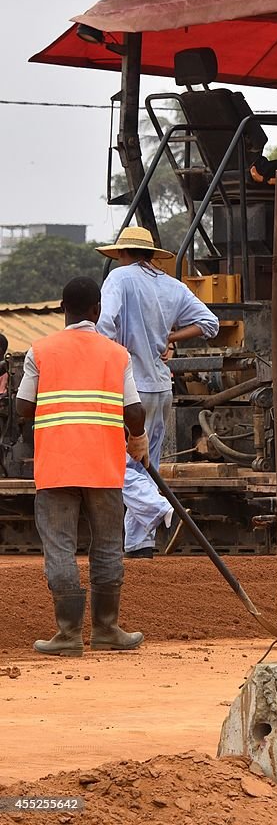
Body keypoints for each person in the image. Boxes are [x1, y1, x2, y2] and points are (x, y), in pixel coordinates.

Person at [16, 277, 147, 656]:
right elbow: (134, 411)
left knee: (60, 547)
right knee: (107, 546)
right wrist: (136, 439)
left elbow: (24, 407)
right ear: (97, 311)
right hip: (103, 466)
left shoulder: (39, 351)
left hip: (56, 466)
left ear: (62, 307)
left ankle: (68, 635)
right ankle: (106, 630)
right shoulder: (116, 354)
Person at [95, 227, 219, 558]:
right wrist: (171, 339)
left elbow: (104, 325)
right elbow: (210, 323)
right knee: (146, 464)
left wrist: (112, 360)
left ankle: (157, 508)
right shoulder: (172, 286)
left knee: (115, 464)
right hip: (162, 386)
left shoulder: (119, 279)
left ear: (122, 253)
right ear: (150, 254)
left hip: (129, 386)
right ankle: (140, 545)